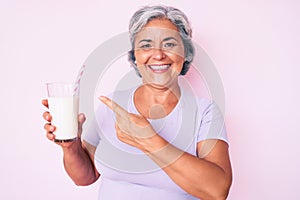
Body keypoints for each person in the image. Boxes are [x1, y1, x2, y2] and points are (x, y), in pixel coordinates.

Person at [42, 5, 232, 200]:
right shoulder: (112, 104)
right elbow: (85, 177)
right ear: (135, 56)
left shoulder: (205, 113)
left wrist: (150, 141)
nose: (158, 55)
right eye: (146, 45)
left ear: (185, 54)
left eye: (169, 44)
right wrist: (71, 146)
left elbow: (217, 190)